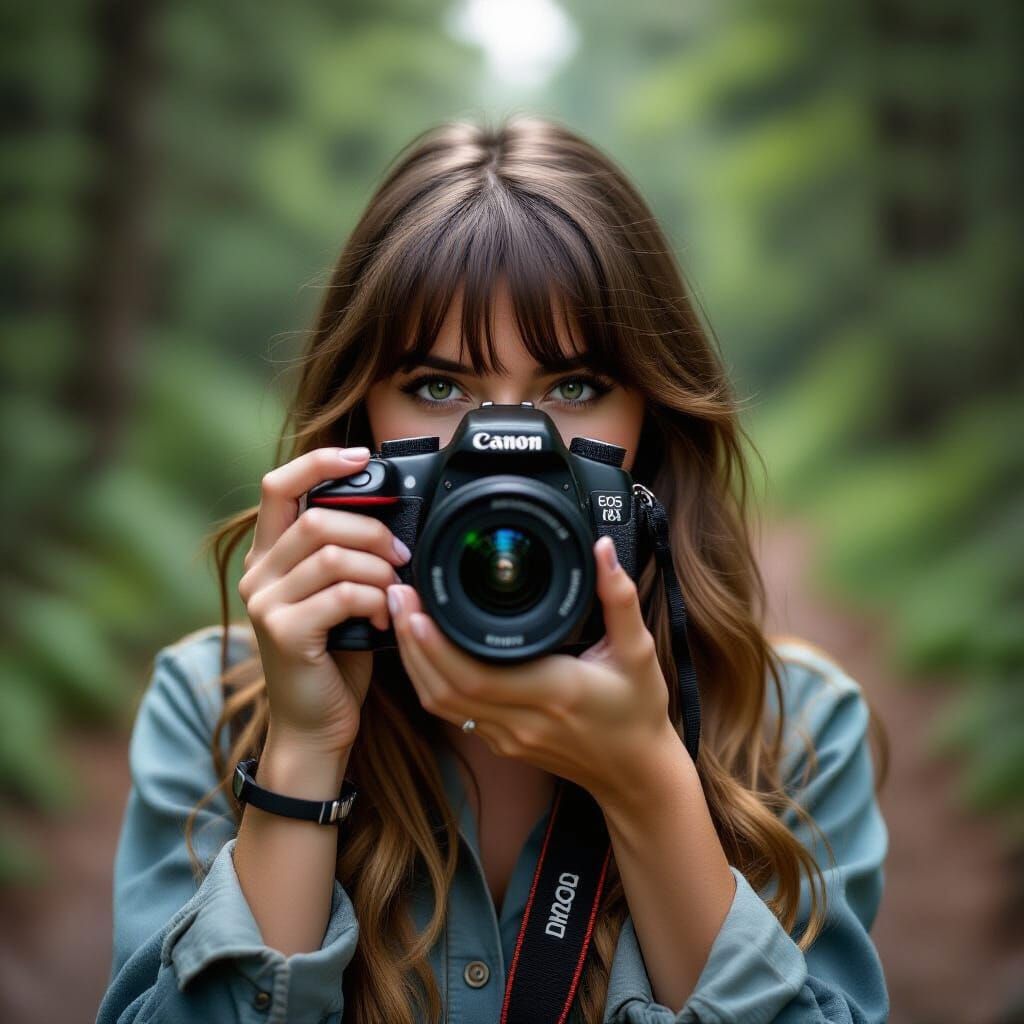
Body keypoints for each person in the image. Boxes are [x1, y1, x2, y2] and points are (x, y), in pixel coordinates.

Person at [97, 114, 891, 1024]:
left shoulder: (796, 727)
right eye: (438, 388)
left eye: (575, 387)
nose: (505, 453)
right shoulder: (212, 705)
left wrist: (647, 783)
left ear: (650, 424)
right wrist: (303, 756)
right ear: (358, 428)